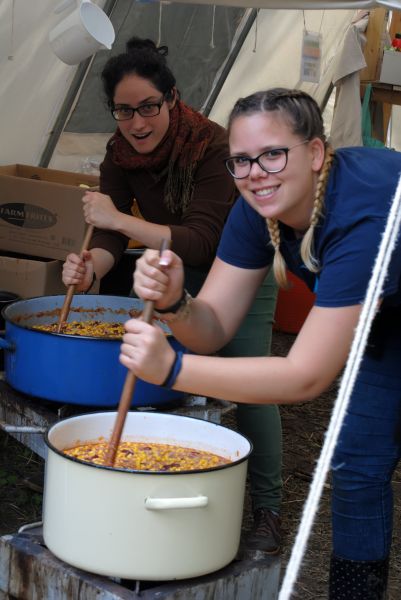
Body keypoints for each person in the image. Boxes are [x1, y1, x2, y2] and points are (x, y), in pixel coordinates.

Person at [120, 87, 401, 599]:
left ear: (315, 153)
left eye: (273, 154)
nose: (255, 173)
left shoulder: (366, 209)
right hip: (387, 322)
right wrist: (175, 301)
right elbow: (213, 327)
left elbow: (304, 376)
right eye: (241, 160)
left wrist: (172, 371)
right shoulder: (258, 208)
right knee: (357, 467)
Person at [62, 38, 283, 555]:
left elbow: (202, 238)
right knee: (167, 365)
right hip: (171, 269)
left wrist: (117, 218)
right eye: (123, 111)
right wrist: (90, 266)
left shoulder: (212, 146)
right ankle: (169, 477)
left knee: (250, 379)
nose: (137, 123)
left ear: (172, 98)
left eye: (148, 108)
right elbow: (112, 238)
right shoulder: (120, 154)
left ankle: (268, 509)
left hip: (240, 266)